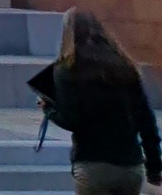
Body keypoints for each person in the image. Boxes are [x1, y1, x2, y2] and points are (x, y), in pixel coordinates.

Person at [39, 10, 161, 195]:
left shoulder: (67, 70)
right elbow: (146, 121)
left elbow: (71, 119)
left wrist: (49, 110)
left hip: (93, 165)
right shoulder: (126, 67)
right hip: (130, 166)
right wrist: (154, 169)